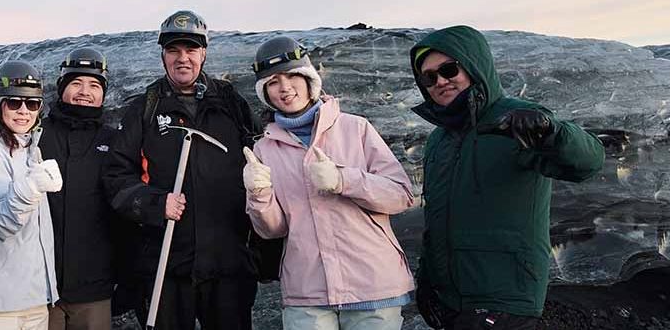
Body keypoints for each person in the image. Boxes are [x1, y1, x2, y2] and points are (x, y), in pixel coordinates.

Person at [410, 25, 604, 330]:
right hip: (449, 300)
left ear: (474, 66)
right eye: (429, 77)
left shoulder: (515, 117)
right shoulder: (439, 139)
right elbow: (436, 219)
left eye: (449, 70)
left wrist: (550, 132)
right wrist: (426, 281)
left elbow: (589, 161)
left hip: (504, 298)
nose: (441, 81)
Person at [102, 10, 262, 330]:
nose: (182, 58)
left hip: (227, 266)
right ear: (163, 55)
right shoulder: (145, 107)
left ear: (203, 53)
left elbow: (261, 155)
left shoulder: (231, 103)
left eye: (191, 49)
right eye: (174, 50)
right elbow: (116, 175)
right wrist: (154, 203)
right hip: (166, 266)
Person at [242, 36, 415, 330]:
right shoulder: (264, 150)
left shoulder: (355, 128)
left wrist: (343, 180)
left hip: (372, 286)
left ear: (309, 79)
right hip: (307, 295)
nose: (284, 88)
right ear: (265, 92)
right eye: (272, 82)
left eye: (292, 76)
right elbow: (273, 230)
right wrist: (258, 195)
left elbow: (400, 196)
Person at [0, 60, 62, 330]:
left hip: (36, 297)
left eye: (32, 104)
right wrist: (30, 187)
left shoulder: (31, 147)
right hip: (3, 304)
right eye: (14, 103)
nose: (24, 111)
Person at [38, 48, 118, 330]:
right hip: (39, 287)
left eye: (94, 85)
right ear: (62, 88)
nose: (85, 91)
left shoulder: (115, 141)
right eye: (76, 83)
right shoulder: (36, 135)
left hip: (94, 287)